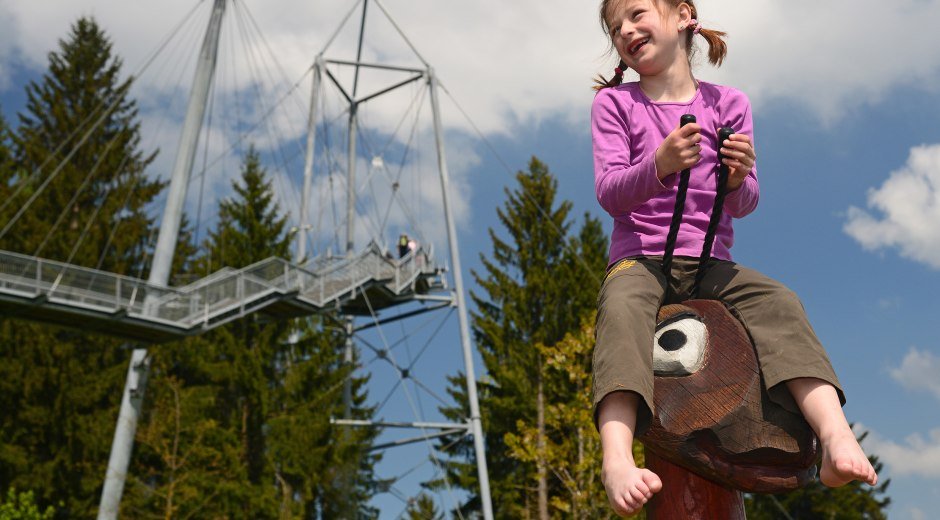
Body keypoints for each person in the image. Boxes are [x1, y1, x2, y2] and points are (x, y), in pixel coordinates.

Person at [589, 0, 878, 515]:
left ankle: (834, 436)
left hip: (710, 263)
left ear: (682, 15)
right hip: (643, 258)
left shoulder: (729, 103)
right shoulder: (616, 105)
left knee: (778, 301)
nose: (626, 30)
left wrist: (738, 178)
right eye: (616, 28)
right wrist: (659, 163)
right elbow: (611, 192)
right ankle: (616, 456)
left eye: (636, 13)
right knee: (622, 310)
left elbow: (744, 205)